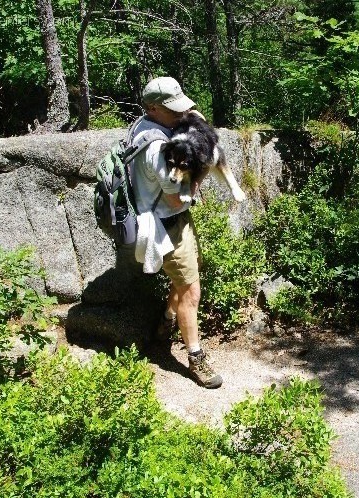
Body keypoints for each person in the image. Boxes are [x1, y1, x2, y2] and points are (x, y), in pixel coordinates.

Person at [128, 76, 222, 389]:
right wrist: (199, 175)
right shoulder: (157, 149)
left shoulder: (143, 125)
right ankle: (196, 359)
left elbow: (194, 118)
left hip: (169, 220)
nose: (180, 115)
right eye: (173, 110)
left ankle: (166, 324)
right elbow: (175, 197)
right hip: (167, 224)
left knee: (183, 280)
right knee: (190, 292)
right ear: (153, 108)